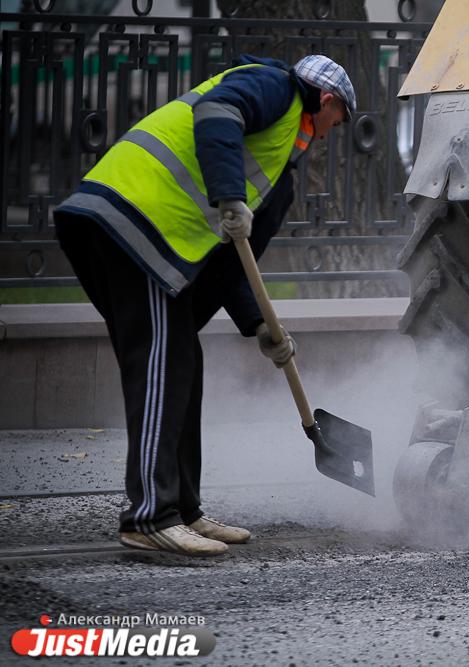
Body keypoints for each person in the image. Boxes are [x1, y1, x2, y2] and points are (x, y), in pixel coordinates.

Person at [53, 54, 356, 557]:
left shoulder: (280, 174)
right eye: (335, 122)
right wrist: (228, 195)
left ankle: (183, 509)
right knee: (161, 363)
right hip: (130, 220)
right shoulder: (274, 86)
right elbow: (216, 111)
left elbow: (235, 267)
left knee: (183, 364)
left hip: (155, 242)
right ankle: (150, 516)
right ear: (326, 101)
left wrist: (261, 326)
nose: (328, 134)